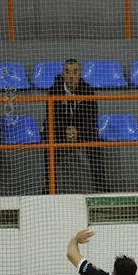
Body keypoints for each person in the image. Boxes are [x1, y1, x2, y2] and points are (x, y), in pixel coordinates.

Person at [45, 58, 107, 193]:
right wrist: (65, 130)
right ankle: (49, 190)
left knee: (95, 143)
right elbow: (51, 117)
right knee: (48, 140)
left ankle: (102, 190)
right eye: (67, 72)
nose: (71, 76)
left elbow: (91, 119)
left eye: (75, 72)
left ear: (80, 74)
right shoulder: (53, 91)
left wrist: (77, 130)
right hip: (61, 131)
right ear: (63, 75)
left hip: (82, 130)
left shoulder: (88, 91)